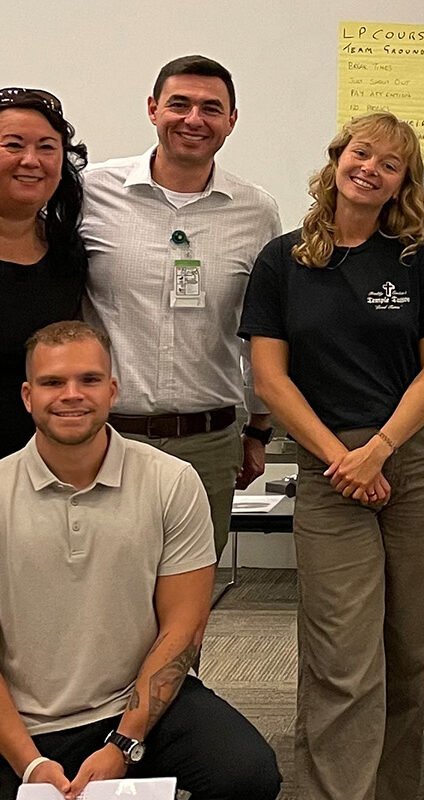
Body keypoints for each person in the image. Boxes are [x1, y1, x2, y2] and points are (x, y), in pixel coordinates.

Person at [240, 111, 424, 800]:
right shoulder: (283, 260)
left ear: (403, 183)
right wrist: (345, 458)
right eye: (362, 153)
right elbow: (270, 379)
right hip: (327, 463)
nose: (370, 169)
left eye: (389, 164)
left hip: (418, 459)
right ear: (338, 157)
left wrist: (381, 449)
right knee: (342, 655)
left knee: (411, 651)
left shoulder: (418, 259)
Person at [0, 321, 279, 800]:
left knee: (246, 774)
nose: (72, 395)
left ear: (113, 390)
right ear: (28, 396)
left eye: (89, 380)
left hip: (133, 708)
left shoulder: (171, 482)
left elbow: (183, 629)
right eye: (53, 382)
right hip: (20, 719)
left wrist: (124, 743)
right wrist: (30, 764)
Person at [81, 55, 280, 560]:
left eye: (211, 108)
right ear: (153, 109)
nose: (194, 119)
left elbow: (260, 333)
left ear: (231, 120)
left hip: (208, 444)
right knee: (100, 585)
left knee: (191, 590)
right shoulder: (90, 193)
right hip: (104, 437)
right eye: (179, 104)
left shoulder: (256, 211)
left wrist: (259, 430)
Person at [0, 88, 87, 456]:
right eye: (13, 145)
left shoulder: (69, 252)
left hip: (46, 464)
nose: (31, 160)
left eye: (47, 147)